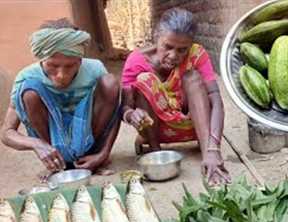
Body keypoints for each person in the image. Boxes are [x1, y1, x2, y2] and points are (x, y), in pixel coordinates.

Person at [121, 8, 231, 185]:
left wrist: (213, 150)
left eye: (182, 50)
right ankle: (157, 154)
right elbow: (125, 107)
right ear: (156, 35)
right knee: (144, 80)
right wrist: (131, 115)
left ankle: (207, 157)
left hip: (192, 127)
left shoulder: (196, 54)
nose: (173, 56)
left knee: (192, 77)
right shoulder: (137, 60)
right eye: (168, 47)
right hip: (154, 130)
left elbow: (215, 100)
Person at [0, 18, 121, 175]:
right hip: (52, 140)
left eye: (70, 66)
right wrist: (36, 144)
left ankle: (90, 156)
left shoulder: (94, 69)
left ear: (80, 60)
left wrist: (103, 153)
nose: (61, 75)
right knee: (29, 92)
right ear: (41, 59)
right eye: (52, 66)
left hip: (88, 134)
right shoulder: (26, 76)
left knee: (110, 83)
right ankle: (57, 160)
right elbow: (7, 132)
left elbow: (114, 113)